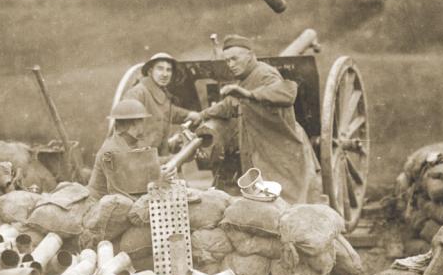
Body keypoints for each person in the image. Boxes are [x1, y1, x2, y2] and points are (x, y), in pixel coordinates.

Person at [186, 34, 321, 204]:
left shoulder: (265, 74)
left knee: (291, 202)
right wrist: (202, 115)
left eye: (235, 59)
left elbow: (287, 93)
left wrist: (249, 95)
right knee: (267, 204)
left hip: (282, 151)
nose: (231, 65)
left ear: (250, 56)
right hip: (261, 151)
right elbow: (230, 104)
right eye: (228, 61)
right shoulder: (246, 79)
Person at [88, 99, 175, 202]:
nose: (143, 124)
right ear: (132, 124)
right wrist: (157, 183)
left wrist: (173, 159)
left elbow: (146, 164)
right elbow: (119, 195)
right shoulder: (110, 152)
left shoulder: (132, 143)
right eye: (141, 120)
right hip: (102, 207)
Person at [123, 52, 198, 155]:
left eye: (169, 70)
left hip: (157, 156)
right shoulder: (137, 94)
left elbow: (169, 111)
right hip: (139, 159)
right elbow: (125, 133)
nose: (165, 74)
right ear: (150, 71)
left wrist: (189, 115)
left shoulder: (161, 93)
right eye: (160, 68)